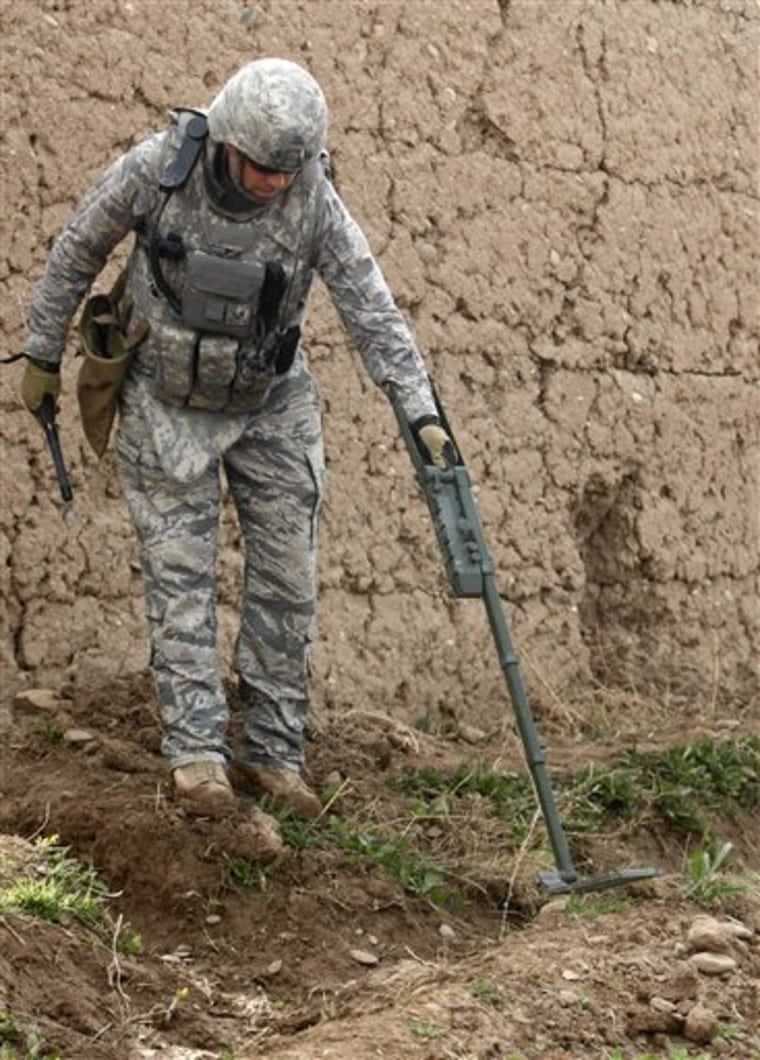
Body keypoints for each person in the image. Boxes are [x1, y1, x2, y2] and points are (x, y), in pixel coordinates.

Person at [19, 57, 455, 824]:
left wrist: (419, 409)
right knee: (181, 584)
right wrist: (41, 354)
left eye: (287, 170)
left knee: (288, 581)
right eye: (260, 168)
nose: (271, 183)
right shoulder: (159, 171)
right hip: (166, 401)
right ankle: (196, 756)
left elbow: (370, 306)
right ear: (226, 142)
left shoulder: (312, 197)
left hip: (270, 403)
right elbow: (76, 250)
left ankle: (274, 754)